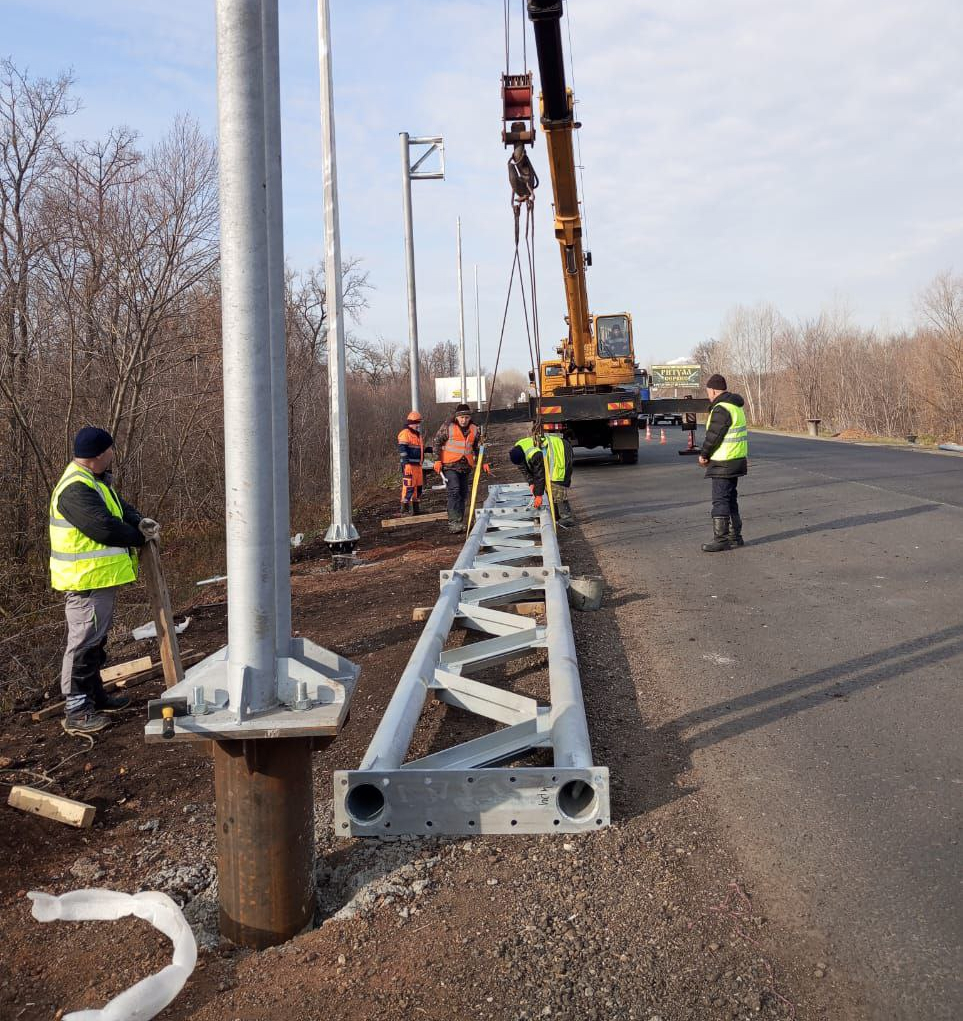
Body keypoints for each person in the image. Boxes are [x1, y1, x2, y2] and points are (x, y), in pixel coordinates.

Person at [49, 427, 159, 735]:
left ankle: (94, 696)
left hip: (97, 580)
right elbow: (103, 527)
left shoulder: (95, 482)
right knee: (83, 644)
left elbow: (119, 509)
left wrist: (139, 521)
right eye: (109, 450)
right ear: (98, 455)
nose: (112, 453)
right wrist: (139, 537)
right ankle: (77, 709)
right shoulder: (75, 489)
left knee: (95, 642)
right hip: (85, 582)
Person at [698, 374, 748, 552]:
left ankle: (721, 539)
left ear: (712, 390)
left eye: (708, 392)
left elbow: (714, 436)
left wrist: (704, 454)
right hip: (736, 459)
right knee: (731, 498)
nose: (708, 395)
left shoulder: (721, 408)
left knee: (720, 499)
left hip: (723, 461)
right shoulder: (735, 406)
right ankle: (735, 536)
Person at [433, 403, 481, 533]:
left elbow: (477, 447)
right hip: (449, 466)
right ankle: (453, 522)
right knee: (454, 490)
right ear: (457, 417)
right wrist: (437, 460)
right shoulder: (448, 427)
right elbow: (437, 442)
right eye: (462, 418)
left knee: (463, 493)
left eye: (466, 417)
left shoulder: (474, 429)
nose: (464, 420)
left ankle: (459, 520)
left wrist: (484, 461)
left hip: (465, 467)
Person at [509, 431, 574, 523]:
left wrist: (539, 495)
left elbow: (539, 474)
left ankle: (567, 518)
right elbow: (524, 468)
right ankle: (555, 515)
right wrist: (531, 483)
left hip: (560, 450)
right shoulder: (518, 448)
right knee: (548, 486)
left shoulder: (534, 454)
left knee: (556, 484)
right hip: (549, 453)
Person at [397, 410, 429, 516]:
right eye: (417, 423)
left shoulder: (416, 435)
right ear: (411, 423)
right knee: (409, 487)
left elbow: (418, 449)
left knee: (418, 487)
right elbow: (403, 450)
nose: (418, 425)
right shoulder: (405, 434)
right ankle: (404, 509)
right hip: (409, 465)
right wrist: (406, 464)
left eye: (419, 423)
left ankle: (416, 509)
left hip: (417, 465)